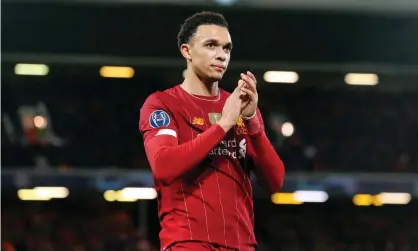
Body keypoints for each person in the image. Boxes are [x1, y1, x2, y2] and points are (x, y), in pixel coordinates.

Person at [139, 11, 285, 251]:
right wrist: (223, 125)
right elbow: (164, 166)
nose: (221, 55)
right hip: (189, 243)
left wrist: (253, 123)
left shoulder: (241, 107)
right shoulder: (162, 104)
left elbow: (274, 183)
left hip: (242, 244)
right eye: (211, 45)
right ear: (186, 51)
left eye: (227, 49)